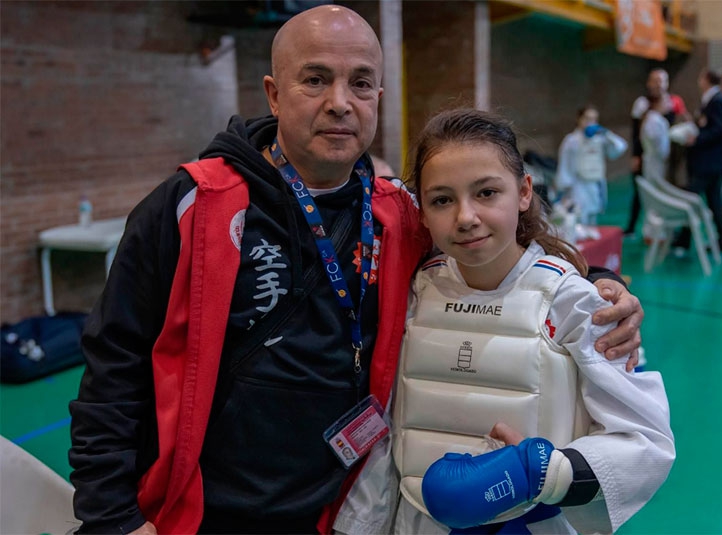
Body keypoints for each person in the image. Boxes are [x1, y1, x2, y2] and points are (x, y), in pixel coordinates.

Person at [68, 6, 646, 535]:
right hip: (203, 514)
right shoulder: (190, 206)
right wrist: (114, 517)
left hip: (340, 509)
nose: (340, 101)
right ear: (273, 94)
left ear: (377, 97)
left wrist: (595, 283)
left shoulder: (402, 214)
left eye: (360, 83)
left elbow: (495, 249)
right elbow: (113, 368)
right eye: (315, 79)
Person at [390, 109, 674, 534]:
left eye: (486, 193)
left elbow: (646, 440)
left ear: (524, 192)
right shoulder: (413, 293)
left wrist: (543, 472)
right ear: (422, 211)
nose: (465, 217)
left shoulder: (578, 304)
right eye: (442, 199)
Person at [625, 68, 687, 236]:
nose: (658, 84)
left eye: (662, 80)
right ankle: (635, 227)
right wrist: (636, 155)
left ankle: (666, 228)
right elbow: (636, 131)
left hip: (669, 157)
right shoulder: (642, 104)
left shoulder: (674, 102)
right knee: (643, 190)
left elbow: (683, 123)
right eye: (655, 80)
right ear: (648, 83)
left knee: (667, 189)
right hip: (649, 156)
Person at [678, 69, 722, 253]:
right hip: (708, 160)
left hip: (710, 162)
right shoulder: (710, 99)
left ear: (707, 79)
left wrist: (698, 138)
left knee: (690, 196)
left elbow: (720, 128)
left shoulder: (717, 100)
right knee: (714, 201)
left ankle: (684, 239)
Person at [555, 106, 628, 225]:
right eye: (587, 118)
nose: (590, 122)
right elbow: (565, 166)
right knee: (579, 220)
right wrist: (562, 188)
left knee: (592, 221)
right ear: (579, 119)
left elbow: (620, 147)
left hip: (595, 185)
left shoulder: (600, 139)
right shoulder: (571, 141)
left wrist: (607, 133)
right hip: (578, 187)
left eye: (594, 119)